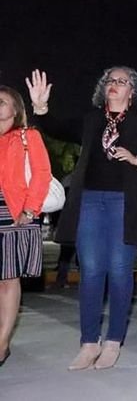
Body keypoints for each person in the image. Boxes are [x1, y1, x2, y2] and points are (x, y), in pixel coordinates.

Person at [27, 68, 137, 370]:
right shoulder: (92, 119)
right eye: (110, 80)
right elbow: (58, 128)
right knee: (91, 270)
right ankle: (89, 343)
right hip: (89, 200)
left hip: (124, 202)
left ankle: (113, 341)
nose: (114, 84)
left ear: (132, 92)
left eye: (122, 81)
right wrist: (41, 108)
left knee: (120, 270)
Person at [0, 85, 51, 367]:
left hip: (14, 214)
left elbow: (42, 173)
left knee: (8, 279)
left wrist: (30, 209)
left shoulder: (27, 136)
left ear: (15, 109)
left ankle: (2, 342)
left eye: (1, 102)